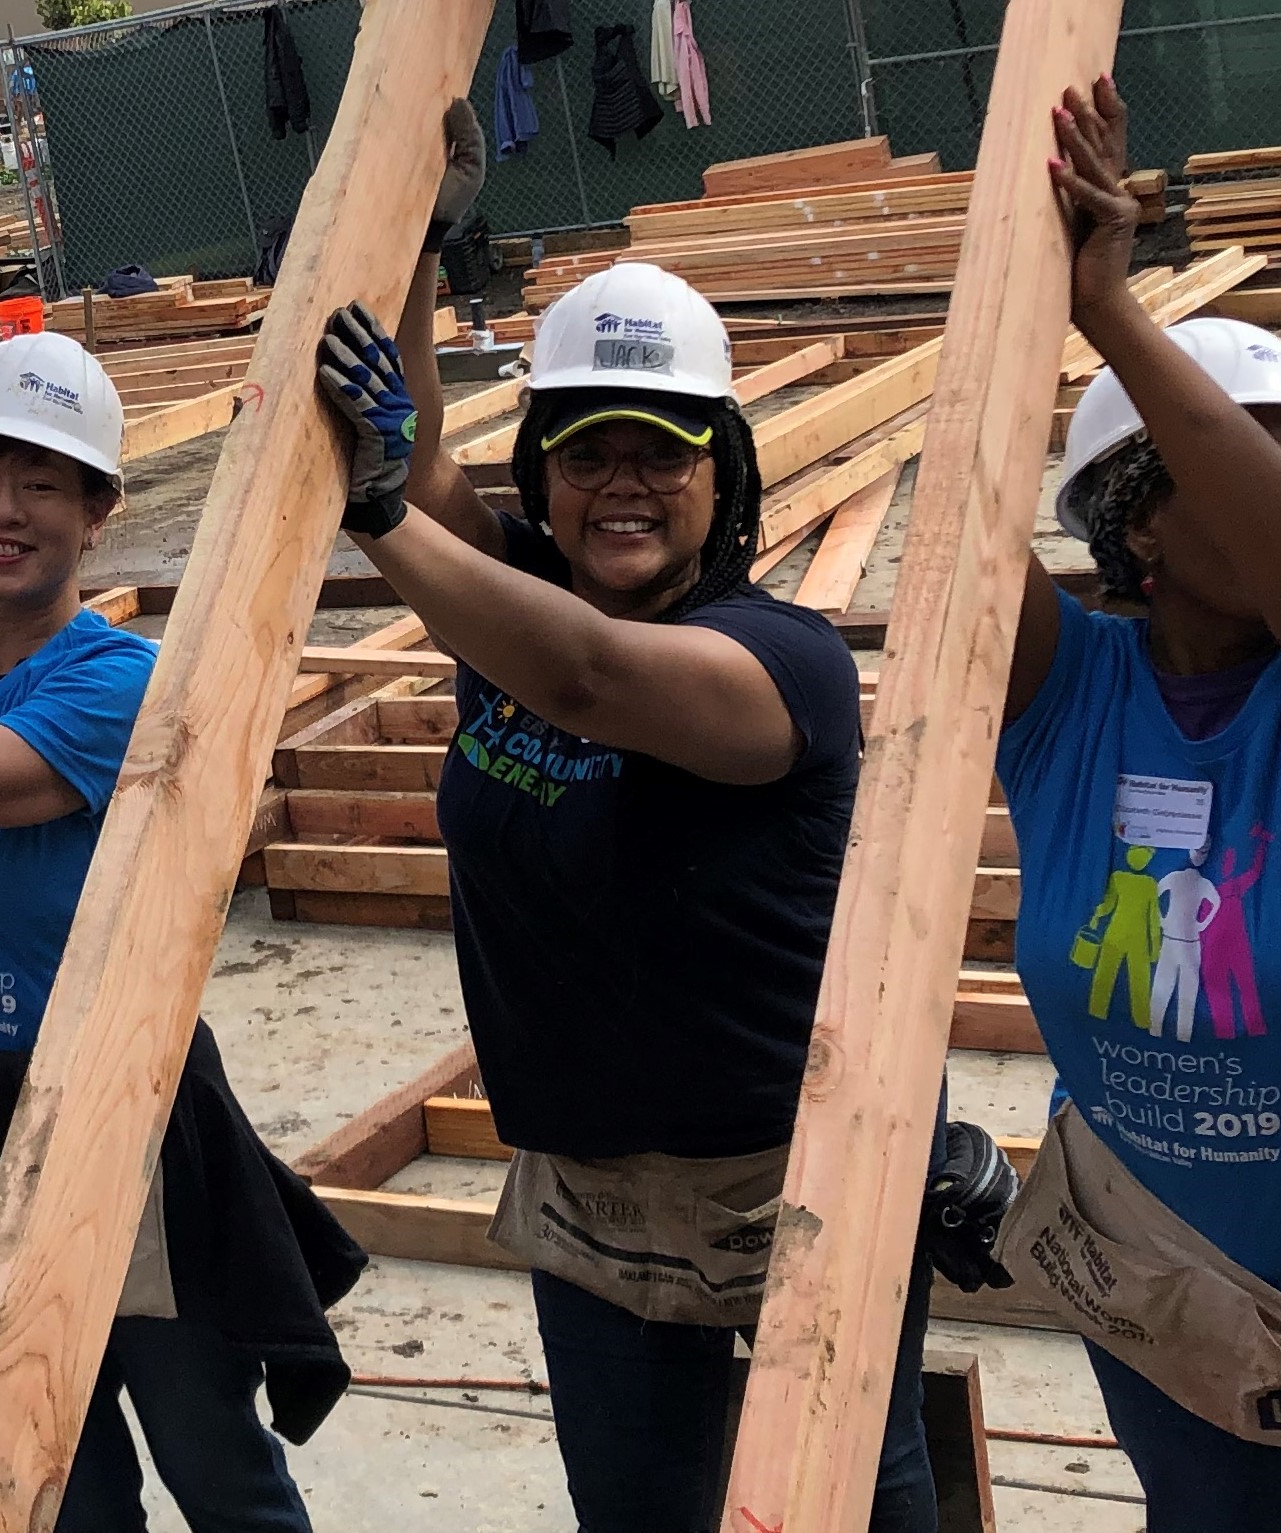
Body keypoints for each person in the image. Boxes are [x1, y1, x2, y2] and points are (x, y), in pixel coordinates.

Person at [329, 158, 949, 1521]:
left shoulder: (779, 662)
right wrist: (423, 238)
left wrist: (376, 514)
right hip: (591, 1189)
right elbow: (422, 458)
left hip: (791, 1173)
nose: (623, 483)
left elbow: (590, 680)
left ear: (717, 473)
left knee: (849, 1485)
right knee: (635, 1502)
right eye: (587, 450)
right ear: (542, 473)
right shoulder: (513, 611)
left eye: (660, 451)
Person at [0, 168, 360, 1533]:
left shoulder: (107, 684)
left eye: (46, 485)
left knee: (212, 1458)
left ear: (97, 518)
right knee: (57, 1479)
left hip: (111, 1139)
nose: (6, 511)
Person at [988, 79, 1281, 1531]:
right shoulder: (1069, 694)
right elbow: (958, 508)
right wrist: (1017, 274)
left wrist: (1110, 312)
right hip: (1156, 1291)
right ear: (1136, 516)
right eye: (1242, 465)